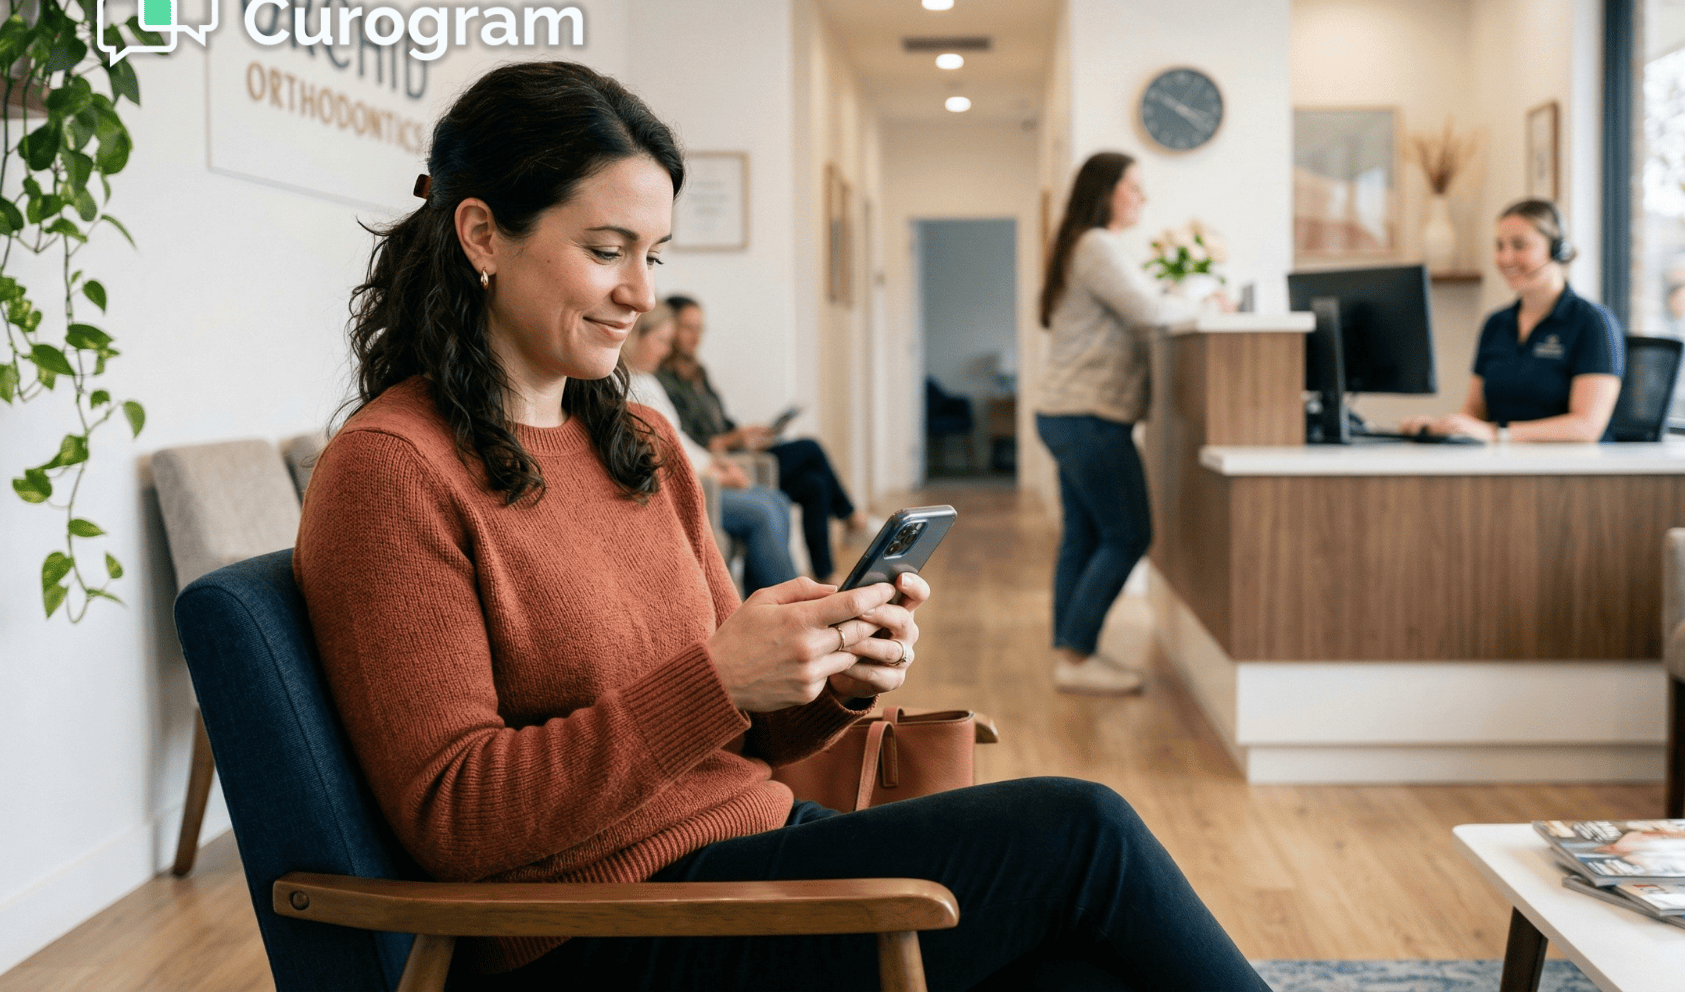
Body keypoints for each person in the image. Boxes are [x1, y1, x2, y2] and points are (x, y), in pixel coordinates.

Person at [294, 61, 1265, 990]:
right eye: (605, 250)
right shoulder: (392, 472)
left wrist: (831, 678)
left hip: (752, 855)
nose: (642, 293)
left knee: (1086, 975)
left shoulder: (638, 443)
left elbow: (746, 735)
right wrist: (715, 680)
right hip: (596, 931)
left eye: (653, 254)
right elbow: (456, 818)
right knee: (1082, 833)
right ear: (480, 234)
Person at [1033, 152, 1195, 697]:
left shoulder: (1082, 244)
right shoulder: (1097, 245)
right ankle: (1078, 656)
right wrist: (1200, 304)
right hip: (1088, 415)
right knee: (1129, 533)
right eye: (1133, 187)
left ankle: (1071, 656)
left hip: (1068, 412)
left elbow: (1143, 304)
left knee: (1083, 536)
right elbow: (1148, 310)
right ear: (1105, 191)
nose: (1141, 197)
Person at [658, 295, 866, 581]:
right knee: (809, 447)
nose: (695, 336)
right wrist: (732, 441)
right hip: (725, 461)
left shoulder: (699, 372)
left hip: (739, 451)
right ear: (670, 328)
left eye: (700, 329)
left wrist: (749, 436)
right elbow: (687, 442)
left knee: (814, 485)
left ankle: (824, 577)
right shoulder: (663, 380)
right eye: (687, 327)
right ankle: (851, 516)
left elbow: (723, 421)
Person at [1399, 199, 1624, 443]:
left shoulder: (1593, 323)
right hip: (1503, 465)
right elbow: (1475, 412)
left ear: (1556, 249)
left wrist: (1497, 434)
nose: (1506, 258)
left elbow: (1585, 427)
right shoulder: (1496, 323)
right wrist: (1442, 427)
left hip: (1568, 472)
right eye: (1499, 246)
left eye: (1519, 245)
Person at [623, 306, 797, 594]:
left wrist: (716, 463)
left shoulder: (648, 381)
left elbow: (679, 440)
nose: (666, 351)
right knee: (764, 511)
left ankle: (766, 603)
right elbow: (663, 453)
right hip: (682, 488)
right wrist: (714, 475)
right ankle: (788, 605)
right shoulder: (625, 387)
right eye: (661, 341)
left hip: (703, 473)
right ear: (635, 336)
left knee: (776, 500)